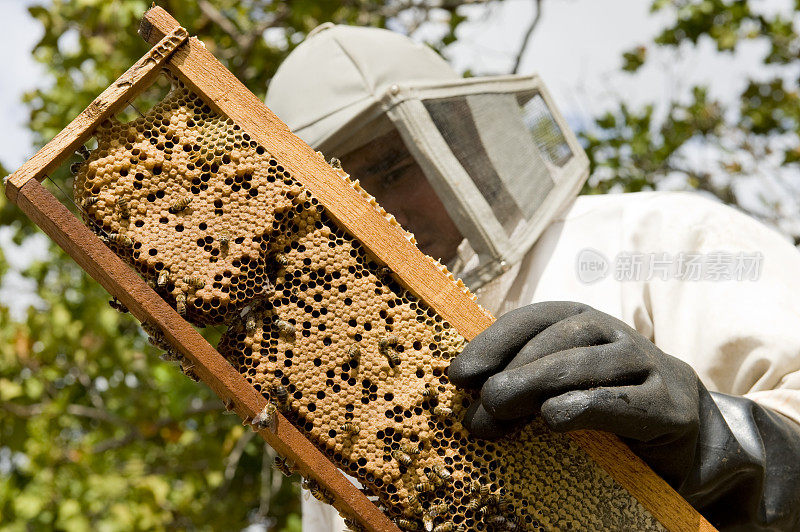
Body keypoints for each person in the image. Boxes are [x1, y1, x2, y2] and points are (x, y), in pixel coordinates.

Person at [265, 23, 800, 531]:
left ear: (461, 142)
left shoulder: (658, 237)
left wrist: (711, 444)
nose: (380, 213)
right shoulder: (339, 388)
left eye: (393, 171)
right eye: (342, 194)